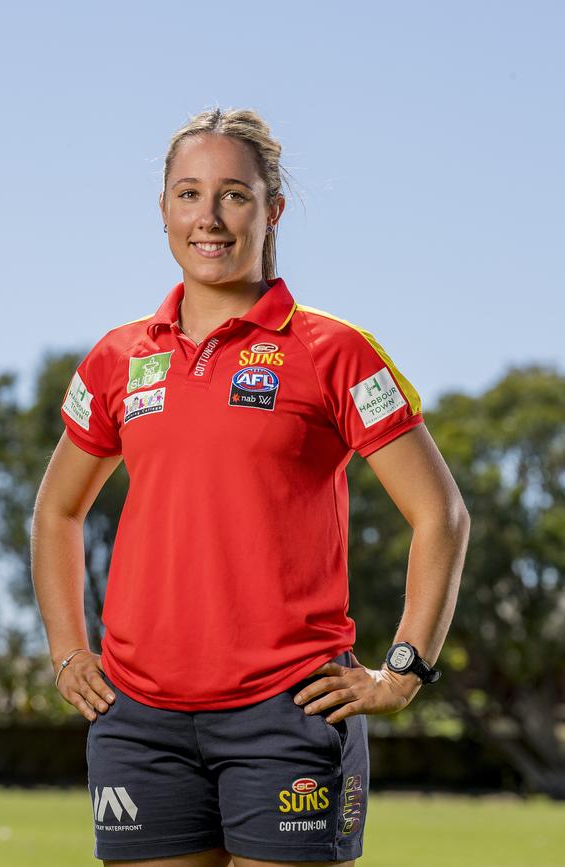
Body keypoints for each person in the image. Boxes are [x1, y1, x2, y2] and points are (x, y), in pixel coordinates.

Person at [30, 107, 470, 867]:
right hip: (139, 719)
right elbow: (56, 510)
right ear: (163, 211)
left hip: (288, 712)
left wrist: (405, 666)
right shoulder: (116, 357)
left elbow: (441, 514)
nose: (209, 218)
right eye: (188, 194)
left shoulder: (335, 351)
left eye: (234, 194)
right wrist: (70, 650)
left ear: (273, 210)